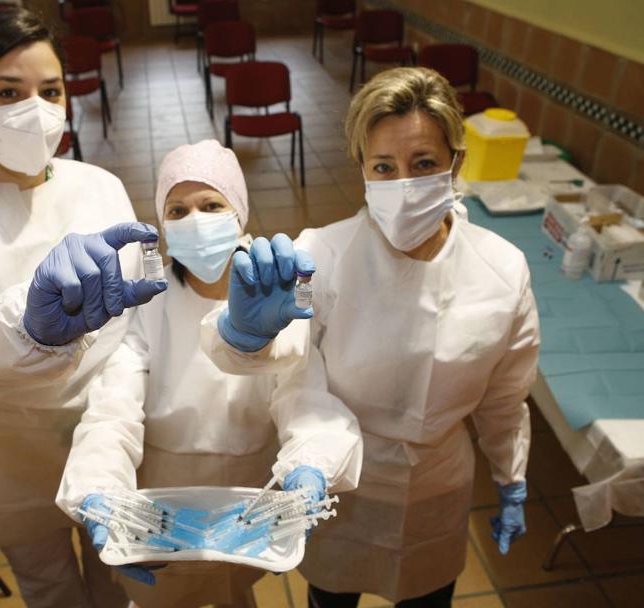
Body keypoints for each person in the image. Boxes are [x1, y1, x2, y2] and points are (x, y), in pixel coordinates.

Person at [201, 67, 540, 606]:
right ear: (361, 168)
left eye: (423, 164)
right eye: (384, 166)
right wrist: (243, 334)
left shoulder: (502, 270)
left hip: (438, 481)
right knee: (332, 595)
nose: (403, 184)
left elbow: (504, 395)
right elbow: (289, 376)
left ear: (457, 162)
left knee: (427, 595)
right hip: (340, 483)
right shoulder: (323, 257)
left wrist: (511, 476)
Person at [0, 9, 167, 608]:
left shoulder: (100, 186)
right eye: (9, 93)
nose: (37, 109)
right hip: (9, 456)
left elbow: (139, 326)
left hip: (110, 431)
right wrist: (31, 329)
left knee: (115, 580)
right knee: (51, 591)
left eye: (50, 91)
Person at [56, 139, 363, 608]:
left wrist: (311, 462)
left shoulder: (274, 293)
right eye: (177, 210)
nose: (194, 220)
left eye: (210, 204)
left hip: (248, 495)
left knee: (233, 588)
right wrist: (100, 488)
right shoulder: (148, 300)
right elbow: (113, 409)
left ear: (238, 211)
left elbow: (302, 391)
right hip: (164, 498)